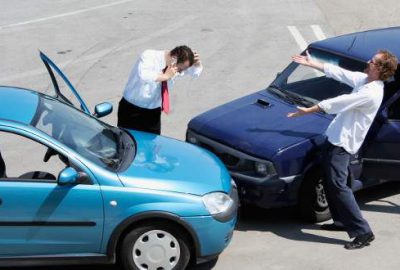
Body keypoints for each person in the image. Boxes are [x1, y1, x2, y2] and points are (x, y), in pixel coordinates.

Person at [287, 50, 398, 249]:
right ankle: (340, 222)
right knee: (334, 182)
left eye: (372, 61)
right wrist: (311, 63)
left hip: (342, 145)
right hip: (336, 139)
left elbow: (339, 102)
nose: (368, 61)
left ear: (380, 69)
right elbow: (339, 72)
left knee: (338, 186)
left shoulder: (370, 93)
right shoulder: (365, 80)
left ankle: (363, 232)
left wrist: (310, 110)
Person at [118, 45, 203, 134]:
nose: (181, 72)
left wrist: (197, 63)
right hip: (131, 109)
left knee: (153, 144)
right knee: (126, 143)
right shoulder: (149, 56)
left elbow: (195, 73)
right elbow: (144, 75)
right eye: (180, 69)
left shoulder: (175, 66)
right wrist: (165, 76)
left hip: (153, 112)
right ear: (174, 59)